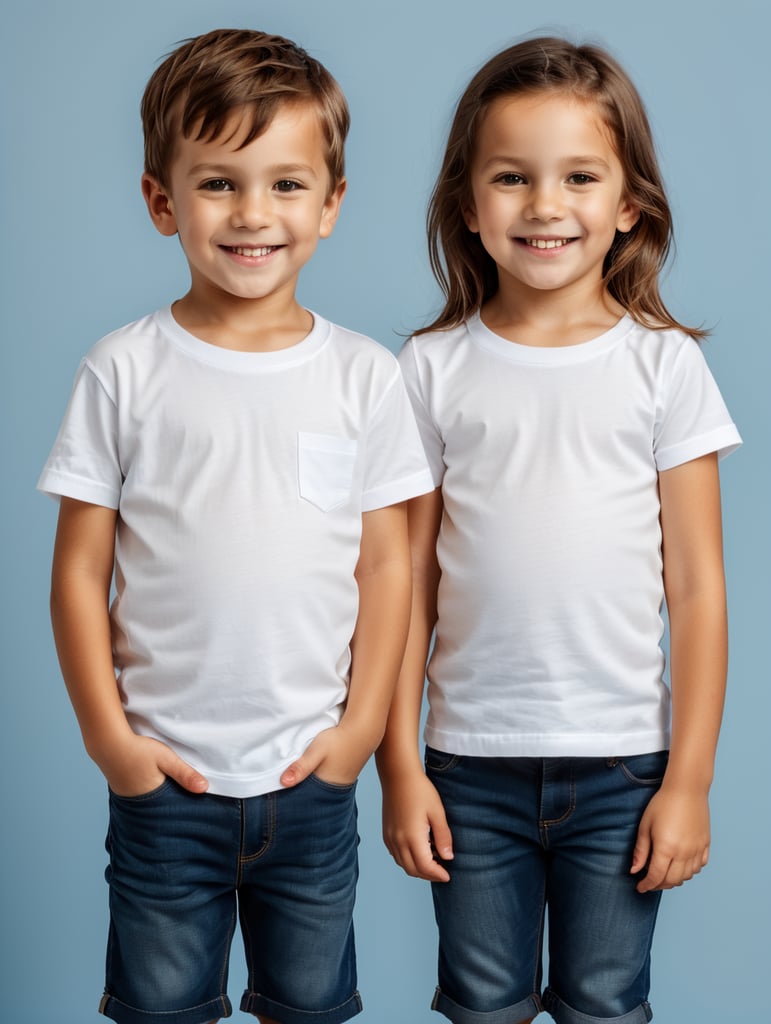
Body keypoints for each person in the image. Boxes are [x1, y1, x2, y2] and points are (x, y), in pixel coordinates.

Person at [38, 28, 432, 1024]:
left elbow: (389, 568)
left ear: (332, 204)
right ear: (161, 199)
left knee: (310, 1006)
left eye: (287, 185)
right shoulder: (123, 369)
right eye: (218, 183)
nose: (254, 215)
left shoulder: (363, 379)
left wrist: (356, 736)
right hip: (166, 784)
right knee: (161, 1008)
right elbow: (81, 574)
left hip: (311, 781)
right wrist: (112, 745)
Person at [377, 36, 741, 1024]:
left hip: (625, 763)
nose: (544, 206)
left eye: (579, 176)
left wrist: (691, 780)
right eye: (512, 177)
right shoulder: (429, 369)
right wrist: (399, 766)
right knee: (484, 1003)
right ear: (468, 202)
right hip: (467, 765)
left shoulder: (664, 369)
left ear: (628, 203)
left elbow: (700, 590)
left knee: (605, 1003)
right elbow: (402, 582)